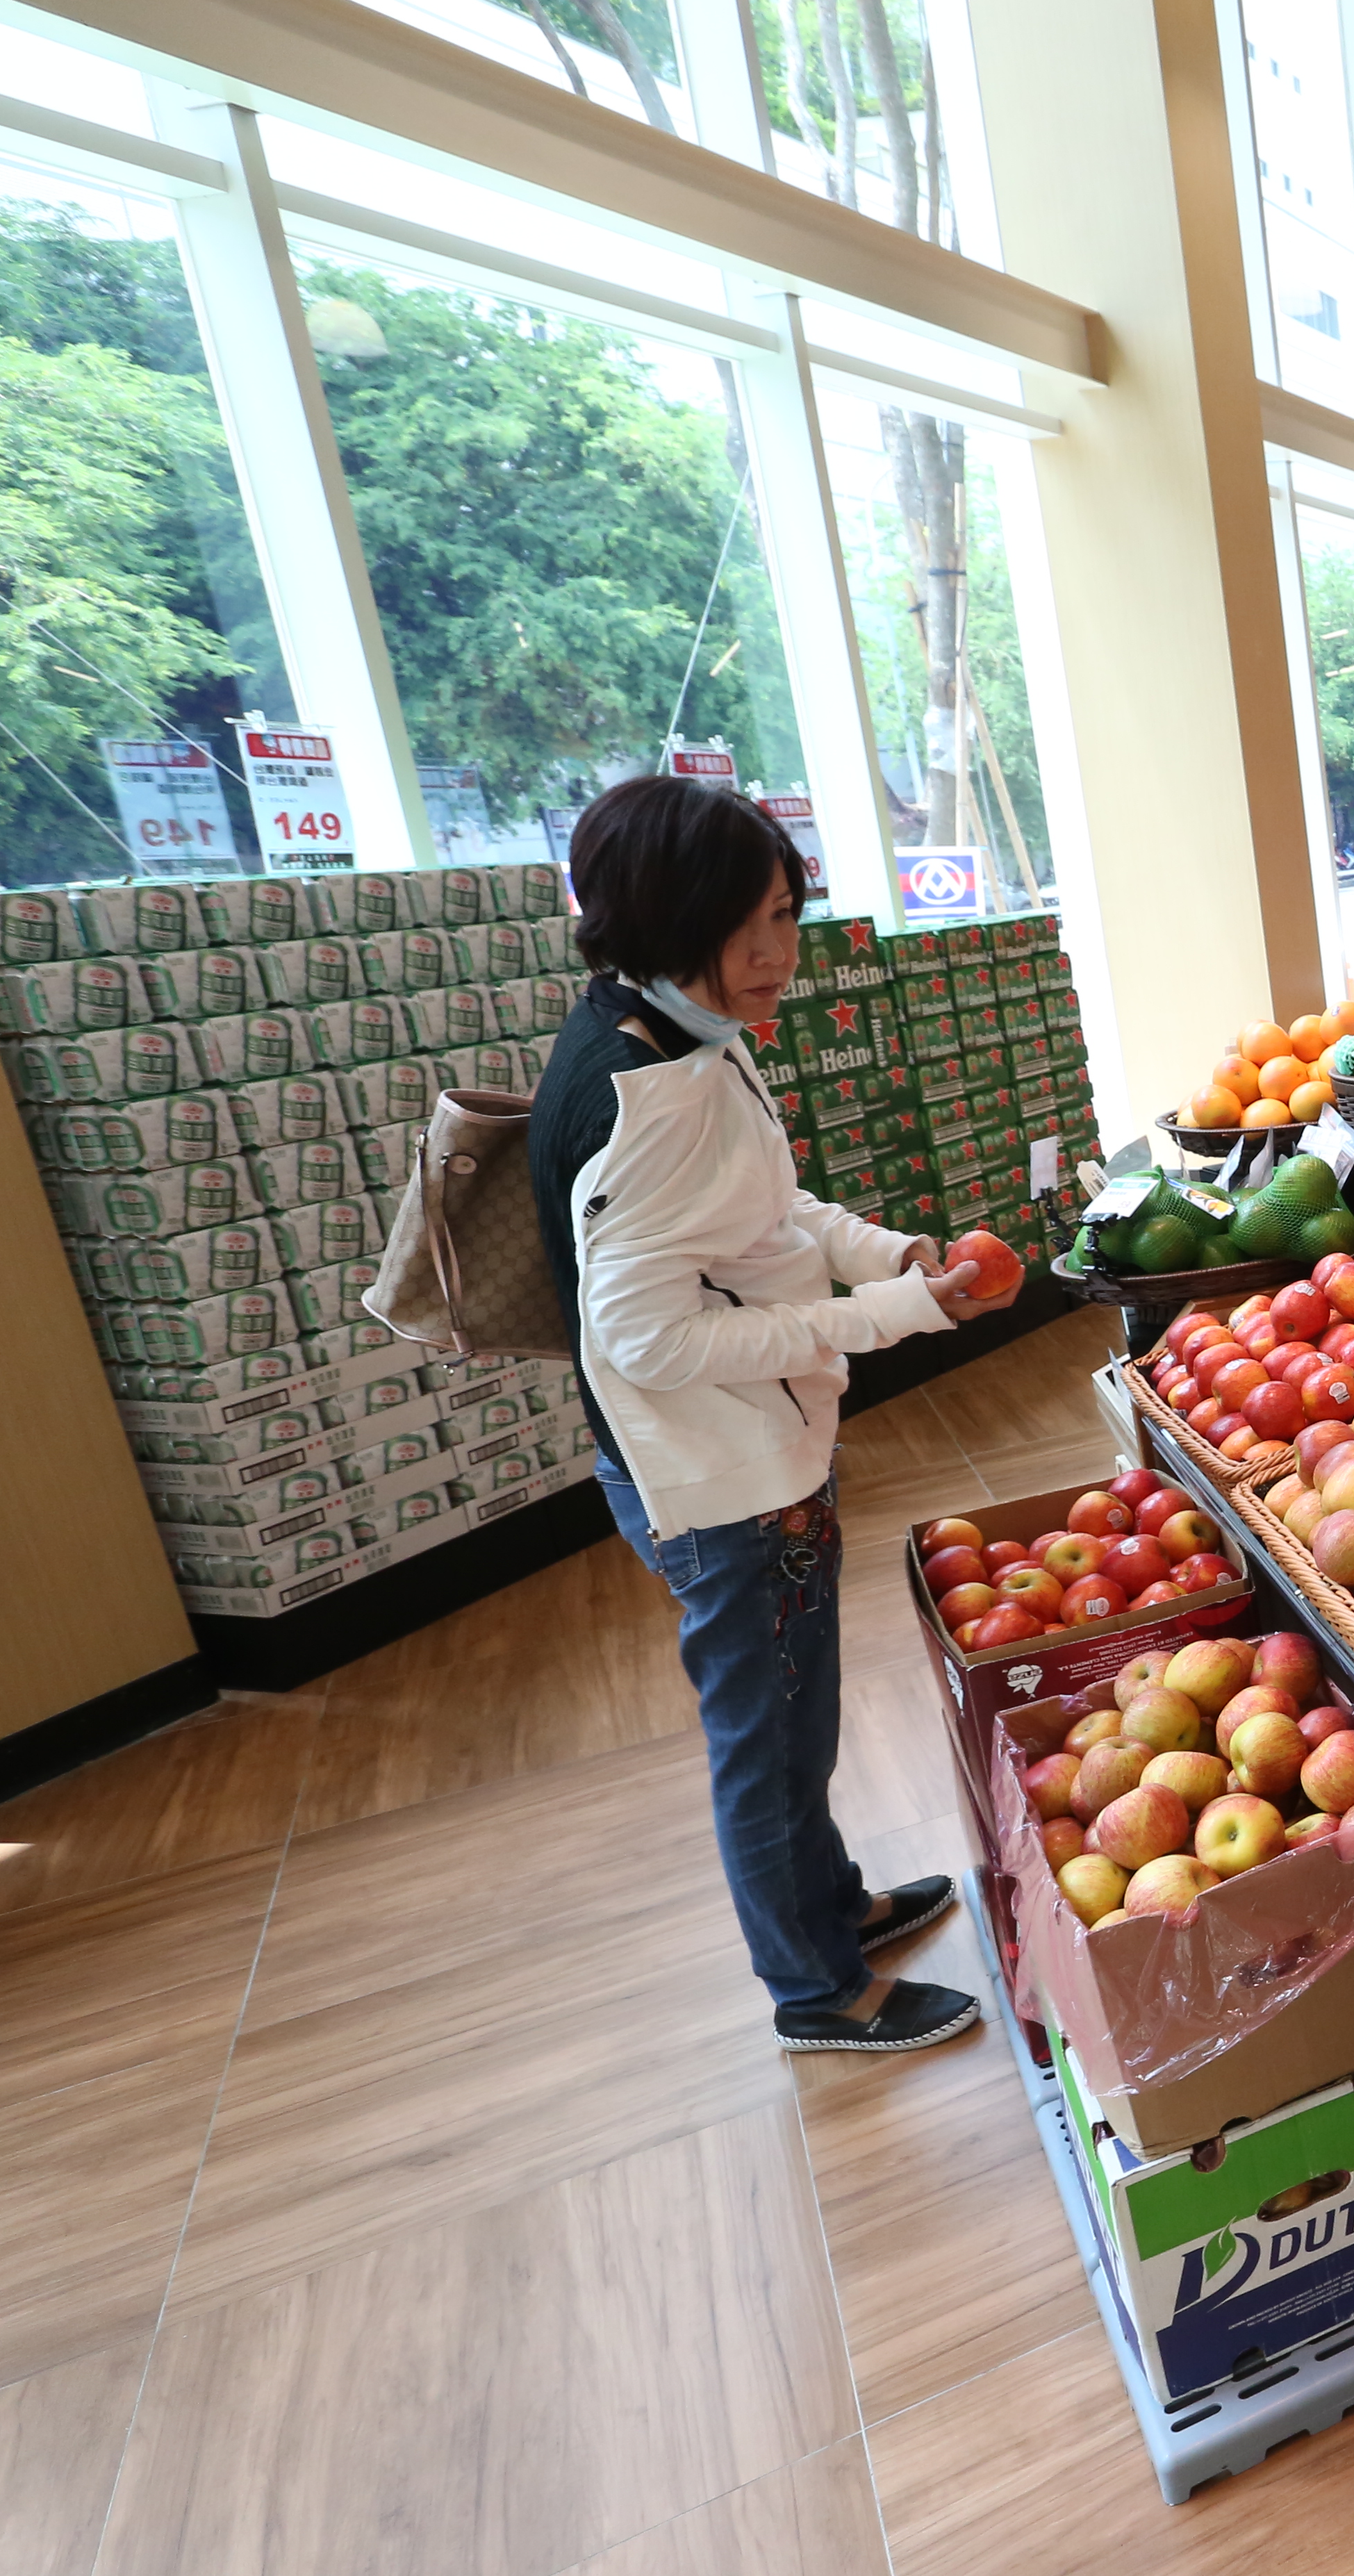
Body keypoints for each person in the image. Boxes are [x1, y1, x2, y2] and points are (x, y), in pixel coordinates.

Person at [531, 776, 1011, 2054]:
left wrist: (892, 1254)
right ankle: (814, 1990)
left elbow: (764, 1221)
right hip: (724, 1478)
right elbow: (645, 1334)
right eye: (752, 926)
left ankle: (830, 1908)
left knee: (796, 1714)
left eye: (788, 918)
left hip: (731, 1451)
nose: (778, 956)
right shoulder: (658, 1099)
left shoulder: (655, 1031)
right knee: (768, 1734)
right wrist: (887, 1316)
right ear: (665, 916)